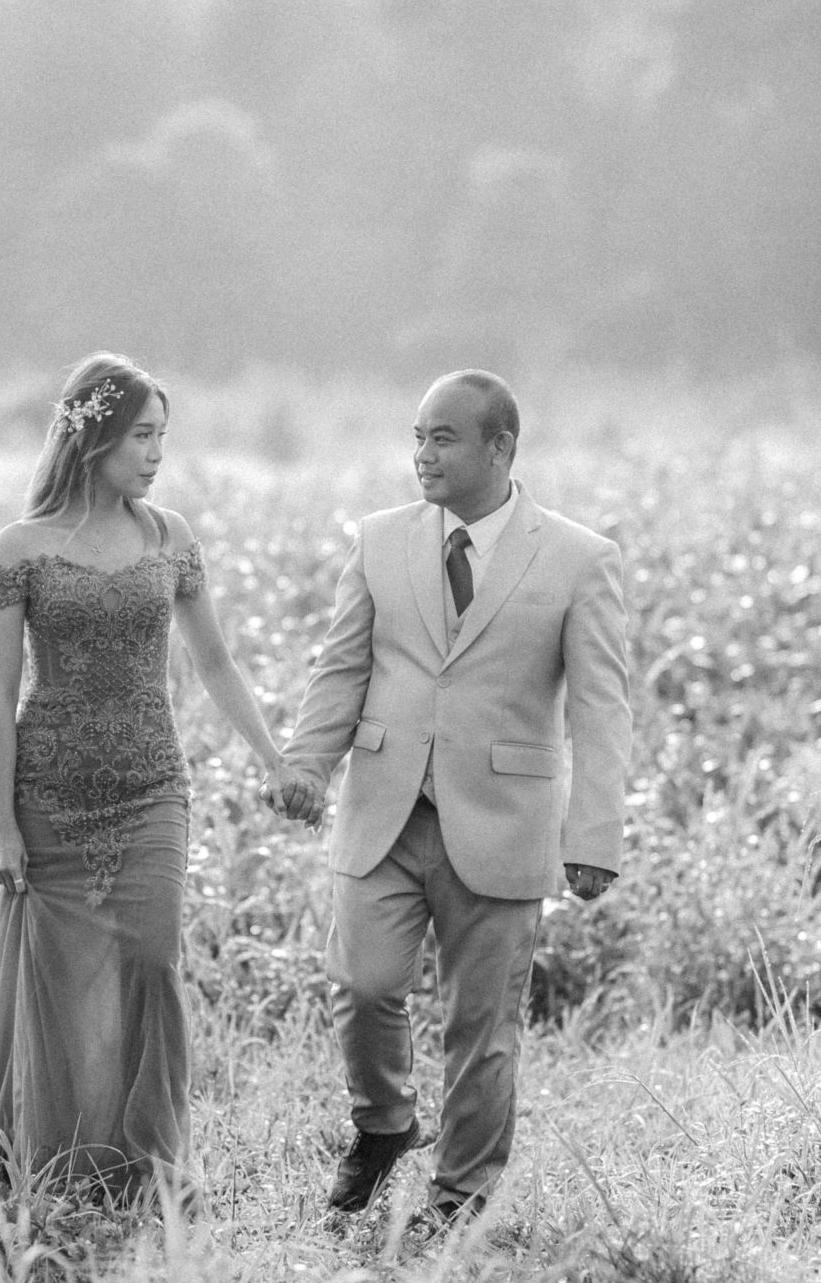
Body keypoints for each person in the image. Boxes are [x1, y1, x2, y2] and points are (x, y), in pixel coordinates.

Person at [0, 352, 305, 1195]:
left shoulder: (170, 537)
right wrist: (2, 824)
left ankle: (155, 1162)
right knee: (63, 983)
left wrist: (274, 757)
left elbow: (216, 662)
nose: (156, 454)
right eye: (142, 436)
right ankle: (61, 1159)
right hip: (50, 793)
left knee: (151, 961)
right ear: (95, 438)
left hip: (152, 786)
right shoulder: (21, 549)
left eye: (162, 437)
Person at [270, 369, 631, 1227]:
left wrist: (594, 837)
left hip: (504, 821)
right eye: (418, 437)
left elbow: (601, 708)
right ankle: (385, 1123)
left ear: (500, 448)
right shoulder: (379, 541)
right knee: (361, 983)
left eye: (443, 438)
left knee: (483, 1026)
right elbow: (342, 668)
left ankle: (459, 1196)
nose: (423, 455)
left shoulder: (581, 560)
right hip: (384, 810)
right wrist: (308, 764)